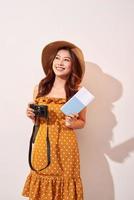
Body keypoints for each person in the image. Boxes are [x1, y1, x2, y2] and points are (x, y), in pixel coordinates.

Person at [22, 40, 87, 200]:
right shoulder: (40, 88)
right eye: (57, 58)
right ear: (52, 62)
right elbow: (38, 123)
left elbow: (83, 122)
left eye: (66, 60)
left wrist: (72, 123)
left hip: (66, 147)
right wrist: (32, 116)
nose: (60, 63)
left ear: (73, 65)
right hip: (42, 146)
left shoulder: (78, 92)